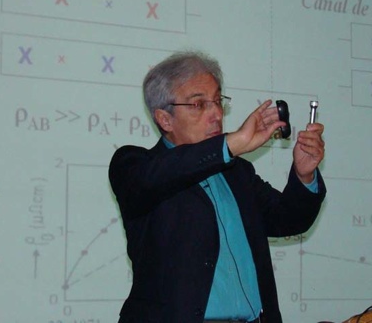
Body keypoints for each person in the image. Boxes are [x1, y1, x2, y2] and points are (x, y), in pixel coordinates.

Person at [109, 50, 326, 323]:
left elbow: (287, 219)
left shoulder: (237, 172)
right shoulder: (135, 166)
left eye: (217, 101)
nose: (216, 114)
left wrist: (304, 175)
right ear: (165, 119)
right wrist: (232, 144)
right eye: (199, 104)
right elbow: (161, 176)